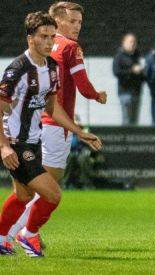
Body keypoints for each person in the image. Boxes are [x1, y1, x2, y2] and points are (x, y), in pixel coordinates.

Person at [0, 11, 102, 257]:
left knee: (23, 195)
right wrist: (4, 146)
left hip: (34, 139)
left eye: (51, 36)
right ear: (30, 39)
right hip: (17, 143)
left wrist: (79, 132)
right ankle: (29, 235)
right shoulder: (17, 70)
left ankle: (2, 239)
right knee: (53, 194)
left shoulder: (52, 67)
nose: (48, 41)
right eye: (43, 36)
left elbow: (53, 108)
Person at [113, 33, 144, 125]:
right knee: (126, 120)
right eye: (130, 42)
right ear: (124, 43)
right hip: (125, 92)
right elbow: (116, 72)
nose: (132, 44)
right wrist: (132, 70)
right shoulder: (119, 56)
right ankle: (125, 139)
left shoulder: (137, 56)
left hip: (136, 92)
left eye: (134, 42)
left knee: (134, 121)